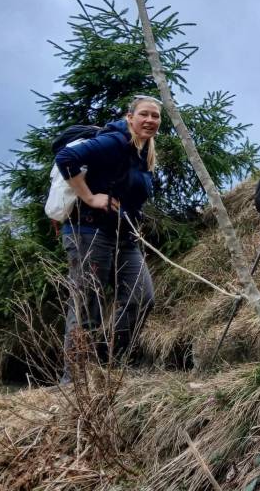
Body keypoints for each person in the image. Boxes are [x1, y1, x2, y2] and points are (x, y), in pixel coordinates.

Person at [55, 95, 161, 378]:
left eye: (155, 116)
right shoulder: (115, 141)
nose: (150, 120)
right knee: (87, 305)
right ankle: (74, 380)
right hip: (89, 231)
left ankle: (107, 365)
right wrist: (90, 197)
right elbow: (66, 158)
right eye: (144, 114)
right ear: (130, 117)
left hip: (124, 236)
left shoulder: (143, 152)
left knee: (141, 297)